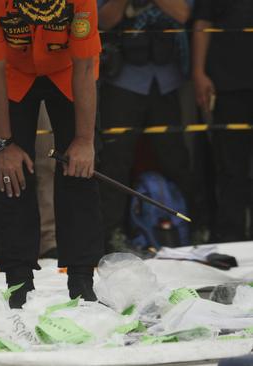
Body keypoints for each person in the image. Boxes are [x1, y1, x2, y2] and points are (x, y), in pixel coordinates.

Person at [0, 0, 104, 308]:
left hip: (69, 72)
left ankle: (81, 277)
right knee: (11, 174)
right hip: (12, 74)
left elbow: (85, 66)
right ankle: (17, 279)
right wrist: (2, 145)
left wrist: (85, 140)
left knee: (79, 169)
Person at [97, 0, 208, 251]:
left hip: (167, 80)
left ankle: (192, 227)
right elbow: (104, 20)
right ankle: (112, 234)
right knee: (116, 161)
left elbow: (183, 14)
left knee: (177, 159)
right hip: (122, 80)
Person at [193, 0, 253, 243]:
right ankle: (232, 239)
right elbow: (202, 22)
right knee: (230, 167)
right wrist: (198, 72)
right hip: (228, 84)